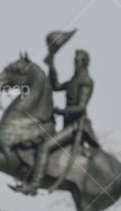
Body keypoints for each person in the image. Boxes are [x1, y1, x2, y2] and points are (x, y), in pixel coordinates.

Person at [19, 49, 100, 195]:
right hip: (67, 125)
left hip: (76, 127)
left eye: (77, 61)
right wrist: (51, 64)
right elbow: (55, 86)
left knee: (44, 146)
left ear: (84, 63)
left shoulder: (87, 82)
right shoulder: (73, 81)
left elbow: (81, 108)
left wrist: (60, 111)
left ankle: (34, 185)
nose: (75, 63)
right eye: (74, 61)